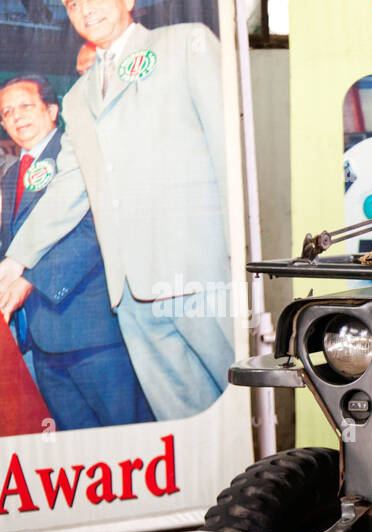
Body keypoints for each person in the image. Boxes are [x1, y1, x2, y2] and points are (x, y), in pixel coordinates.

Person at [0, 0, 233, 422]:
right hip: (129, 295)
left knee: (249, 403)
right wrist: (16, 261)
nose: (84, 9)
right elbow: (71, 184)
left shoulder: (185, 45)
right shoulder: (77, 98)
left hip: (200, 274)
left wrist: (242, 253)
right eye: (72, 3)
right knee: (183, 423)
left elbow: (230, 150)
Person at [0, 74, 151, 430]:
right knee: (78, 447)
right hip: (40, 340)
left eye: (25, 106)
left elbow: (94, 230)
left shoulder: (81, 154)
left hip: (90, 328)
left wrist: (30, 282)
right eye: (7, 112)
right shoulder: (10, 176)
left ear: (52, 110)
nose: (16, 117)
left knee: (128, 439)